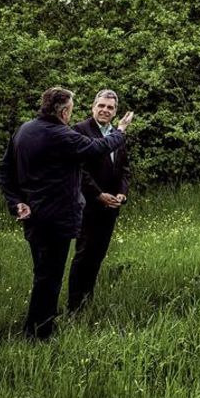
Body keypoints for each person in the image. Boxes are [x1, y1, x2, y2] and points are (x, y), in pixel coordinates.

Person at [0, 87, 133, 340]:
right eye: (70, 109)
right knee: (50, 277)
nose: (71, 114)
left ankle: (37, 326)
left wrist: (16, 201)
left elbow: (5, 169)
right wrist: (122, 129)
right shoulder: (62, 134)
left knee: (44, 275)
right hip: (56, 215)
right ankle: (41, 334)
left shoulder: (24, 130)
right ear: (63, 111)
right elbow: (99, 147)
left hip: (34, 214)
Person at [67, 89, 132, 314]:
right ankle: (74, 306)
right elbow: (80, 169)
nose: (105, 110)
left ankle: (87, 301)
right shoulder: (79, 130)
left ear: (115, 112)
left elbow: (123, 168)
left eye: (110, 107)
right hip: (88, 204)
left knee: (98, 254)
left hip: (111, 205)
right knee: (84, 253)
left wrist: (122, 192)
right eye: (101, 106)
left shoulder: (117, 133)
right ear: (93, 107)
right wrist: (98, 194)